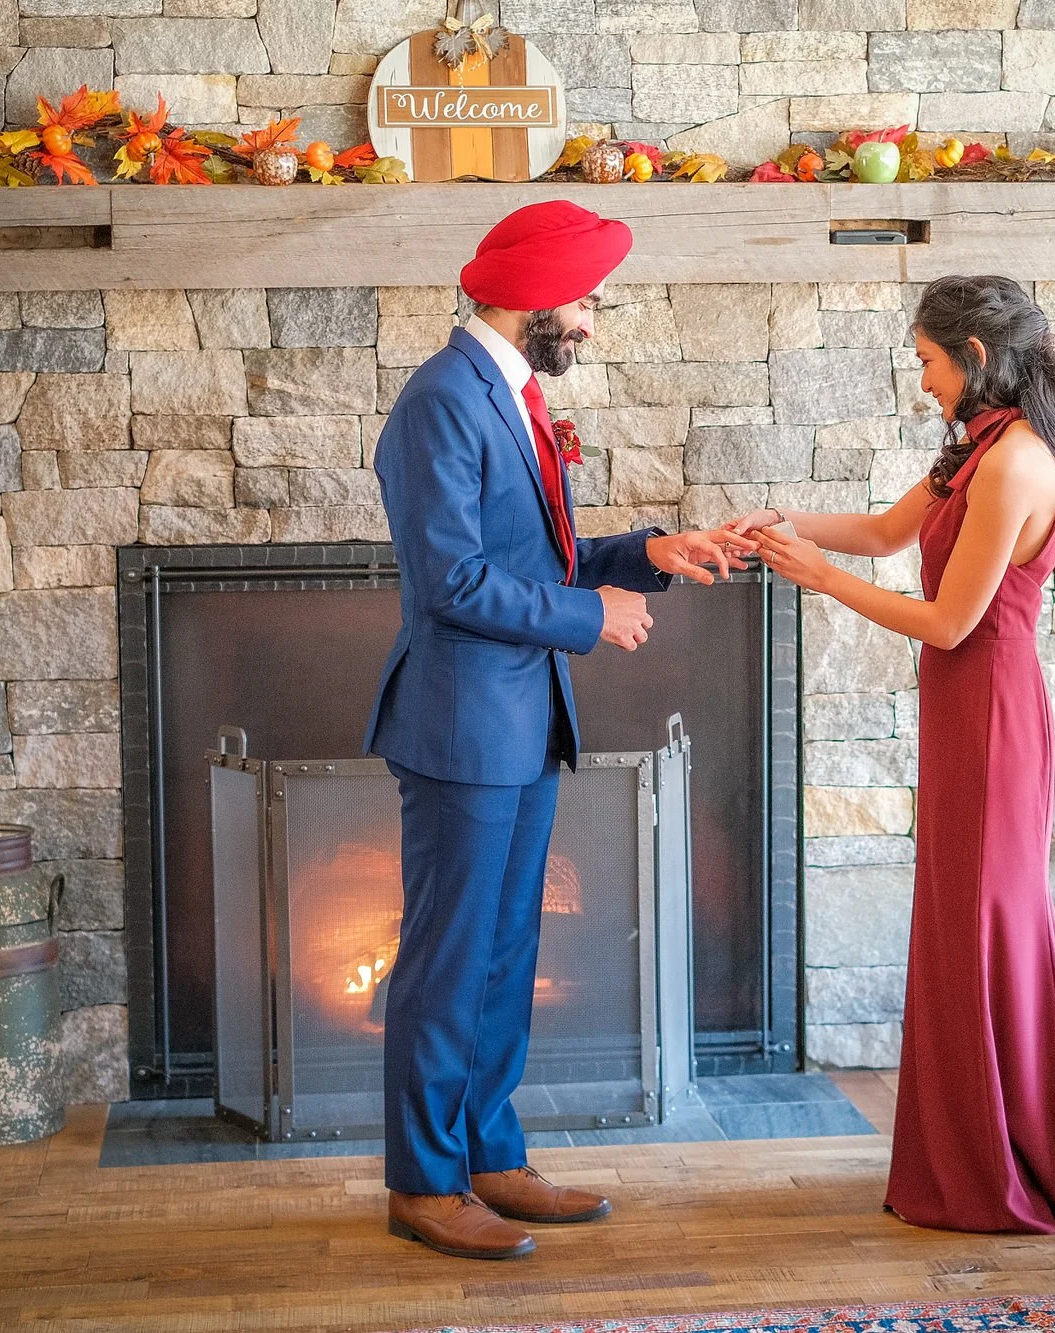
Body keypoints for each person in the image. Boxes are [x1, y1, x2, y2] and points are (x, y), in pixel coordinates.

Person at [365, 200, 756, 1261]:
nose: (588, 320)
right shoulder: (440, 402)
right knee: (449, 963)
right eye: (582, 300)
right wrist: (590, 619)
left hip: (522, 726)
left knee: (503, 953)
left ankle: (491, 1158)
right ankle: (422, 1182)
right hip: (459, 731)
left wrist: (650, 551)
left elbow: (534, 559)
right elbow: (450, 581)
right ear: (532, 296)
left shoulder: (512, 396)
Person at [732, 275, 1055, 1235]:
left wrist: (820, 580)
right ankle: (977, 1149)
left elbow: (952, 623)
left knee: (980, 933)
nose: (920, 381)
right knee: (960, 928)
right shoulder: (980, 447)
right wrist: (776, 526)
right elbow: (883, 531)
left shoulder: (1013, 466)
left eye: (926, 362)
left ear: (976, 357)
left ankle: (996, 1161)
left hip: (992, 714)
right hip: (962, 715)